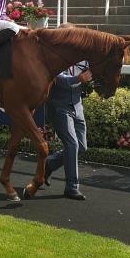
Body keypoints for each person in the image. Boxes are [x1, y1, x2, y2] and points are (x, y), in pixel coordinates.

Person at [44, 58, 92, 200]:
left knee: (81, 147)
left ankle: (49, 164)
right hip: (59, 106)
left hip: (77, 106)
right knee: (72, 144)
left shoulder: (85, 59)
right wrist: (78, 78)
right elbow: (58, 79)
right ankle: (72, 188)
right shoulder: (57, 55)